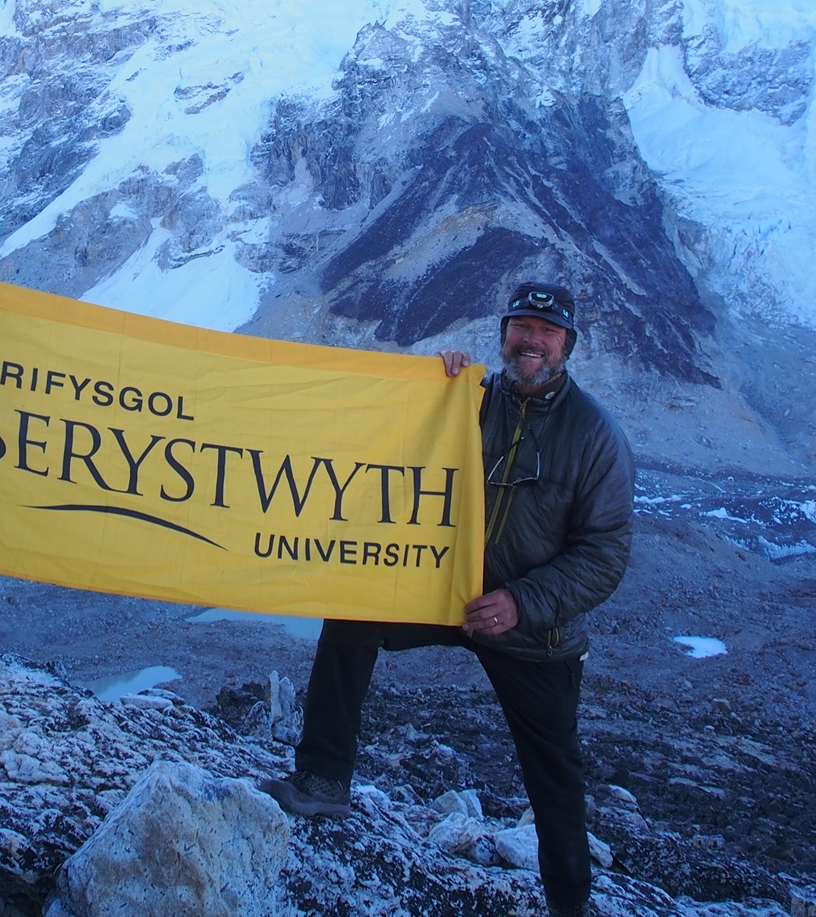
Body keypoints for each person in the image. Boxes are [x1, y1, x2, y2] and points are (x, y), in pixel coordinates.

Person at [259, 281, 634, 917]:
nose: (531, 340)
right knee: (355, 611)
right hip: (443, 593)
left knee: (555, 772)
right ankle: (323, 779)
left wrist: (521, 601)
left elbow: (605, 554)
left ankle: (569, 903)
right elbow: (394, 444)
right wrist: (433, 386)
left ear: (568, 343)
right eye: (521, 327)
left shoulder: (595, 434)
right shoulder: (472, 398)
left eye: (546, 331)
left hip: (529, 628)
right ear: (504, 333)